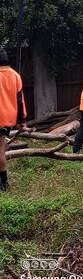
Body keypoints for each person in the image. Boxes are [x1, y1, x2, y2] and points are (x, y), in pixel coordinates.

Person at [0, 48, 27, 191]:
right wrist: (22, 121)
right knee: (0, 149)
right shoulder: (15, 75)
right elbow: (20, 100)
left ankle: (4, 184)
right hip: (8, 119)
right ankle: (4, 183)